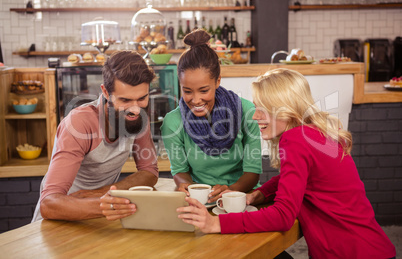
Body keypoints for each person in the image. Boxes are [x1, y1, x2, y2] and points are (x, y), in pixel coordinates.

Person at [177, 68, 396, 259]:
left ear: (284, 109)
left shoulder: (296, 140)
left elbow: (283, 216)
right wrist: (257, 195)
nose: (254, 117)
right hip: (370, 249)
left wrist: (216, 224)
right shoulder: (316, 133)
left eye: (262, 108)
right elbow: (295, 178)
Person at [32, 51, 159, 222]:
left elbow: (149, 171)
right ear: (106, 92)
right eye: (125, 100)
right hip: (59, 220)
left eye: (142, 98)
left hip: (100, 216)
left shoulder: (137, 116)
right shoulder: (79, 123)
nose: (135, 109)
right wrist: (104, 201)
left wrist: (101, 194)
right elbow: (48, 204)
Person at [161, 29, 262, 203]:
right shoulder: (172, 122)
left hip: (242, 197)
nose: (196, 100)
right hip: (201, 199)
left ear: (217, 81)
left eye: (204, 90)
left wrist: (230, 191)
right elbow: (180, 170)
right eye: (187, 91)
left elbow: (252, 172)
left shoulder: (246, 112)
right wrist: (186, 185)